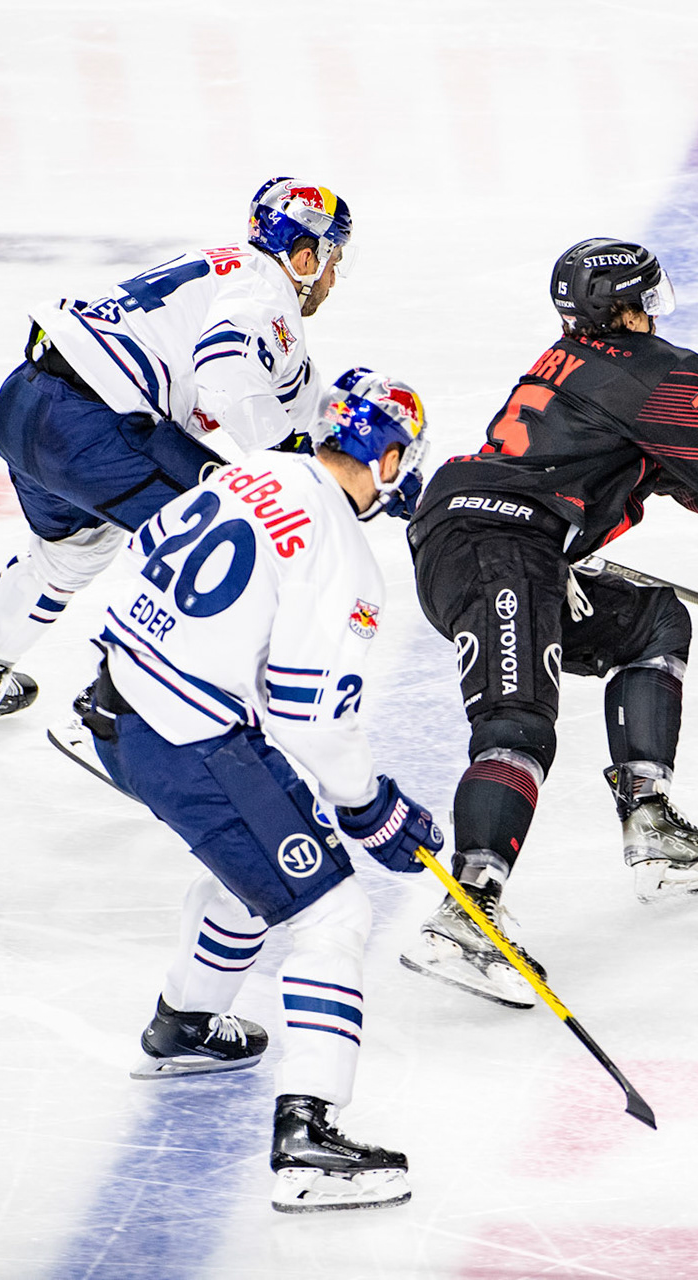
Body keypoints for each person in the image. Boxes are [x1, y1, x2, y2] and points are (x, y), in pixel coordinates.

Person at [398, 237, 698, 1008]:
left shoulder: (574, 362)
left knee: (651, 623)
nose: (655, 309)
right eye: (646, 296)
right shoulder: (656, 372)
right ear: (621, 304)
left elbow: (692, 477)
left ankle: (649, 821)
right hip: (502, 548)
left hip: (497, 540)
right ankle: (469, 911)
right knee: (517, 725)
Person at [70, 368, 438, 1213]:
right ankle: (307, 1139)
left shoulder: (250, 472)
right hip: (190, 740)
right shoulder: (342, 555)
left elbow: (136, 564)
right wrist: (370, 808)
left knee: (262, 864)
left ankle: (185, 1026)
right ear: (384, 456)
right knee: (332, 912)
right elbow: (311, 720)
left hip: (117, 706)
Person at [0, 177, 355, 731]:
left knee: (71, 553)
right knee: (227, 540)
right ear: (305, 255)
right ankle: (113, 714)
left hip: (24, 402)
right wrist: (286, 466)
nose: (336, 278)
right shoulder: (267, 296)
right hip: (90, 427)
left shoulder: (226, 268)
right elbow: (224, 368)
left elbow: (301, 401)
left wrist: (359, 460)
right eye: (334, 258)